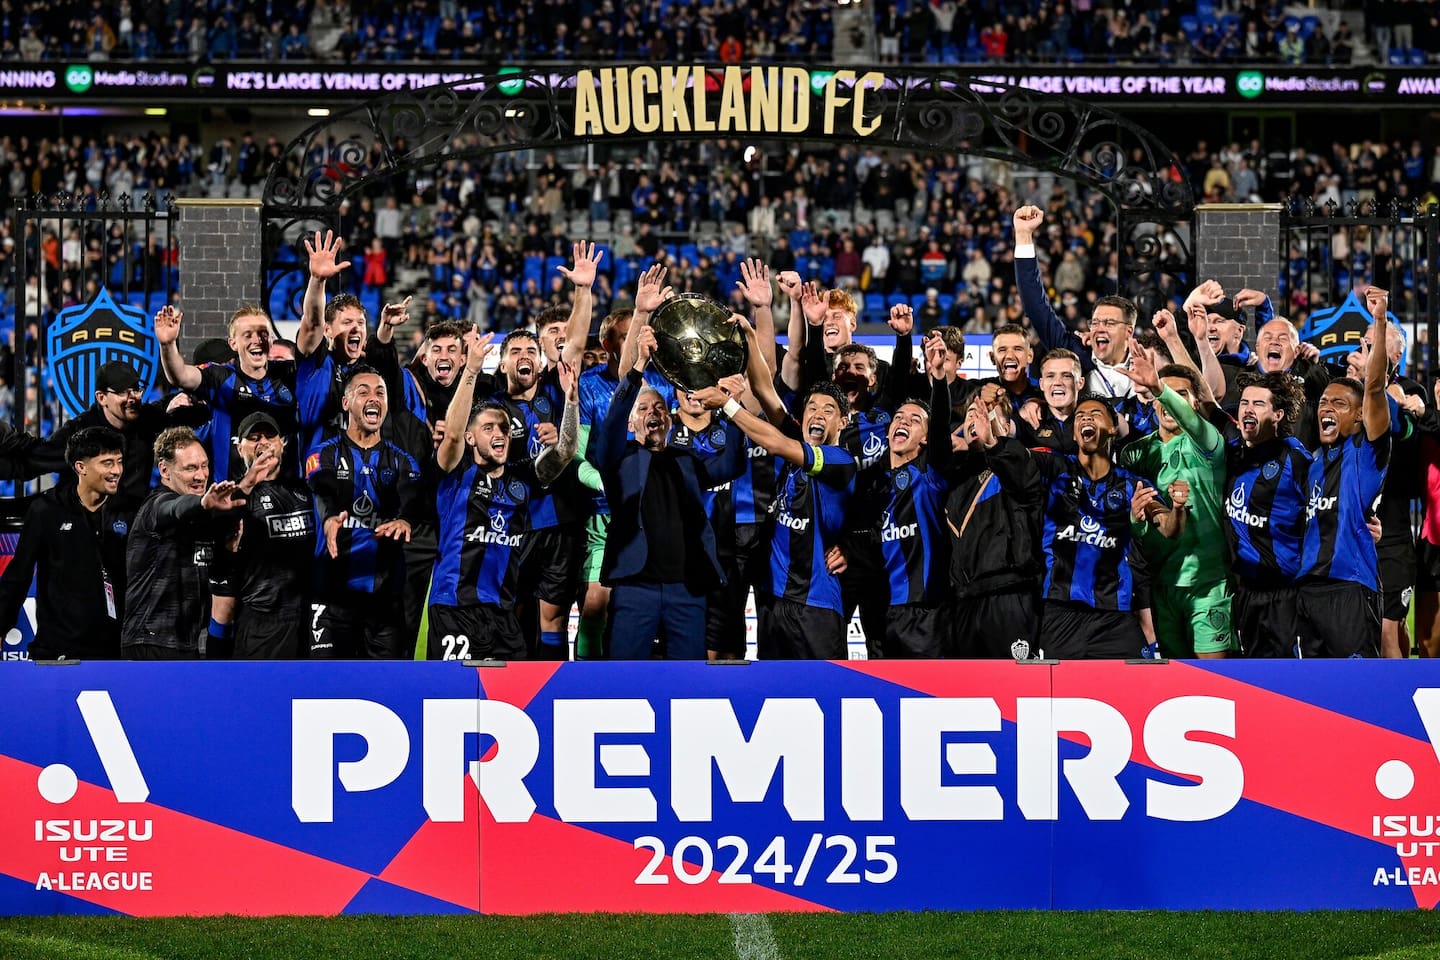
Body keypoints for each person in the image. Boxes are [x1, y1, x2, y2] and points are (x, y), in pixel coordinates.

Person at [976, 392, 1187, 659]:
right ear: (1075, 434)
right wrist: (994, 443)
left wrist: (1178, 508)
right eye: (1080, 416)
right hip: (1060, 611)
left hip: (1114, 615)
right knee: (1056, 697)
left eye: (1095, 414)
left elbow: (1169, 527)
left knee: (1135, 691)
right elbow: (1017, 460)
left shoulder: (1132, 484)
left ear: (1112, 429)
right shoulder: (1054, 467)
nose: (1085, 418)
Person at [592, 325, 747, 659]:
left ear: (670, 420)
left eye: (660, 408)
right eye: (644, 409)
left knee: (689, 683)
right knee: (625, 676)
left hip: (687, 589)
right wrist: (636, 372)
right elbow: (611, 426)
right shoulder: (617, 459)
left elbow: (731, 465)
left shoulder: (687, 460)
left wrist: (733, 410)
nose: (653, 413)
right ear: (631, 424)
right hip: (635, 586)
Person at [428, 328, 580, 661]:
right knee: (454, 701)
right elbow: (452, 435)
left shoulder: (522, 476)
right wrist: (471, 370)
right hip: (456, 609)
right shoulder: (456, 474)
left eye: (504, 428)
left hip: (503, 616)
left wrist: (571, 401)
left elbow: (565, 450)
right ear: (471, 438)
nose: (500, 433)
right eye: (488, 428)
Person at [574, 265, 676, 658]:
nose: (634, 339)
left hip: (652, 512)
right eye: (624, 334)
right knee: (595, 604)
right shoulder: (589, 385)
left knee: (652, 606)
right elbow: (579, 456)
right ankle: (586, 677)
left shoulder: (665, 384)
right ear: (609, 342)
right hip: (603, 514)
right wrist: (604, 484)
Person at [1114, 332, 1236, 659]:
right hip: (1162, 586)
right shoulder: (1136, 454)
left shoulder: (1208, 444)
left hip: (1208, 585)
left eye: (1182, 396)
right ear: (1153, 404)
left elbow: (1194, 424)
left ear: (1195, 403)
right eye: (1168, 395)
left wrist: (1158, 386)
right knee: (1177, 685)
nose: (1174, 403)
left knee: (1217, 684)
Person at [1295, 286, 1392, 657]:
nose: (1326, 408)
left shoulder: (1364, 452)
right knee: (1311, 696)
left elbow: (1375, 386)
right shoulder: (1314, 461)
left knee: (1358, 692)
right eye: (1323, 402)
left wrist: (1379, 320)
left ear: (1357, 415)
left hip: (1350, 587)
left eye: (1339, 402)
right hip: (1307, 587)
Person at [306, 367, 424, 659]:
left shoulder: (402, 461)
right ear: (346, 403)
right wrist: (331, 515)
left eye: (380, 392)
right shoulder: (324, 453)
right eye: (364, 392)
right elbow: (322, 483)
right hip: (331, 598)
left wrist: (406, 518)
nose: (374, 398)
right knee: (329, 690)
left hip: (385, 601)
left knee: (387, 688)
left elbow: (413, 495)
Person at [0, 427, 129, 660]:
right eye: (107, 463)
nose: (116, 471)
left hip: (115, 652)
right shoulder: (46, 511)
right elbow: (18, 576)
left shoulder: (129, 511)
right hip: (57, 651)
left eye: (119, 462)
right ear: (80, 467)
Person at [122, 427, 247, 659]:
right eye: (190, 468)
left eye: (204, 465)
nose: (201, 476)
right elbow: (175, 508)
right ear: (164, 470)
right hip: (150, 644)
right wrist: (201, 503)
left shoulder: (204, 518)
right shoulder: (155, 507)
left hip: (189, 646)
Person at [156, 303, 298, 482]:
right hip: (232, 495)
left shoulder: (288, 374)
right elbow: (181, 376)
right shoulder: (220, 377)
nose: (257, 340)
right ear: (233, 343)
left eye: (263, 334)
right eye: (248, 335)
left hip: (284, 494)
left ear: (271, 340)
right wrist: (168, 344)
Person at [1223, 371, 1312, 657]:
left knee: (1292, 681)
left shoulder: (1295, 459)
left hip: (1285, 595)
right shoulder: (1232, 452)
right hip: (1245, 593)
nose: (1248, 408)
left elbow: (1327, 500)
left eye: (1259, 404)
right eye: (1244, 402)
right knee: (1255, 679)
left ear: (1278, 415)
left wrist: (1365, 521)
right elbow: (1207, 408)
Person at [45, 359, 203, 506]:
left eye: (136, 389)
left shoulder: (146, 418)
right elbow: (39, 457)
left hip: (133, 521)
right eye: (122, 392)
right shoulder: (79, 431)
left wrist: (188, 399)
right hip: (88, 522)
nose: (132, 397)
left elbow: (168, 410)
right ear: (102, 398)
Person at [226, 412, 315, 659]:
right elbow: (221, 533)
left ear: (282, 443)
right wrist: (250, 481)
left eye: (269, 436)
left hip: (307, 619)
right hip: (262, 621)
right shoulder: (231, 494)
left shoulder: (305, 490)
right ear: (238, 446)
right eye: (254, 438)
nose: (263, 442)